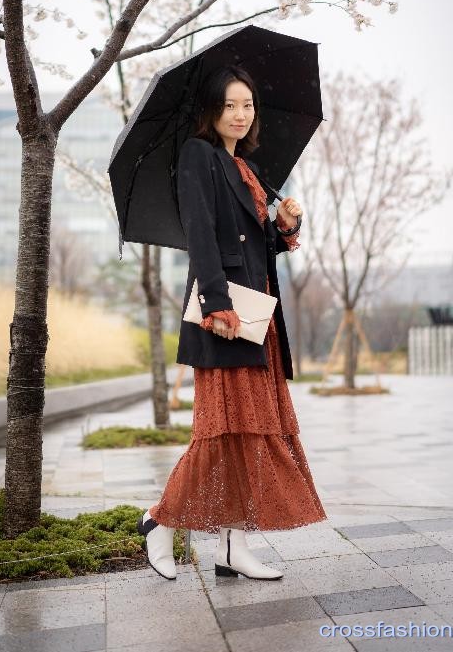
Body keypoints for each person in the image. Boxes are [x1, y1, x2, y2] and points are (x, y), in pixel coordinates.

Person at [137, 65, 327, 581]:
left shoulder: (243, 165)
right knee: (221, 431)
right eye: (229, 106)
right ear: (210, 110)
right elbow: (200, 232)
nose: (240, 115)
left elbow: (257, 247)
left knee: (248, 433)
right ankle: (159, 521)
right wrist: (217, 303)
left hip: (255, 313)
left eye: (247, 105)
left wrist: (286, 227)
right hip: (226, 314)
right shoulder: (200, 155)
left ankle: (231, 547)